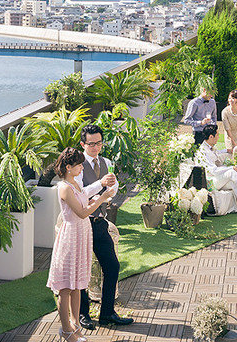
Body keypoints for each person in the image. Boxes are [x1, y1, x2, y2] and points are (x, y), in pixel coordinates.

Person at [46, 147, 118, 342]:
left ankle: (75, 325)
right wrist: (102, 198)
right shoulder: (64, 188)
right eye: (78, 165)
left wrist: (98, 191)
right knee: (65, 287)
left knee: (78, 285)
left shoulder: (75, 185)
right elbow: (82, 212)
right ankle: (66, 329)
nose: (81, 168)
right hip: (71, 237)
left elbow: (85, 196)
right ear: (69, 167)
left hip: (81, 236)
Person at [75, 124, 132, 330]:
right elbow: (79, 194)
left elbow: (113, 189)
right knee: (82, 270)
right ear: (83, 144)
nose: (96, 147)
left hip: (99, 223)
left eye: (99, 143)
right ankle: (83, 314)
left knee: (112, 266)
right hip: (81, 223)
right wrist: (100, 184)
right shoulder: (77, 165)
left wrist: (111, 187)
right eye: (92, 144)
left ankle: (107, 313)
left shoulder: (106, 161)